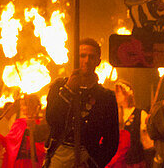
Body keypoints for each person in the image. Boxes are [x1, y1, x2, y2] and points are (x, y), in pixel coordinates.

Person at [43, 39, 118, 168]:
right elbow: (51, 119)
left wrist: (91, 164)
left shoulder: (106, 97)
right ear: (75, 58)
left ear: (98, 61)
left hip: (86, 157)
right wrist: (68, 90)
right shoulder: (59, 87)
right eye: (82, 56)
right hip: (58, 155)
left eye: (91, 57)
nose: (87, 60)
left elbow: (111, 141)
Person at [0, 94, 48, 168]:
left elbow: (44, 145)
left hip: (36, 163)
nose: (22, 108)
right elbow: (5, 139)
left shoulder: (42, 124)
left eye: (25, 105)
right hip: (20, 163)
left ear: (36, 106)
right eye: (21, 105)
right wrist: (8, 115)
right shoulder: (20, 123)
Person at [105, 82, 151, 168]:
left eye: (118, 91)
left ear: (127, 94)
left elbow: (146, 142)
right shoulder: (111, 114)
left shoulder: (140, 114)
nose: (116, 94)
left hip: (134, 161)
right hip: (116, 162)